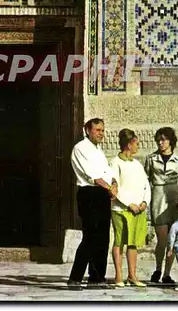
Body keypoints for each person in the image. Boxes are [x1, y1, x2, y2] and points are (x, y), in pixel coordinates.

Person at [68, 118, 117, 288]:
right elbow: (92, 176)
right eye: (98, 130)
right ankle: (75, 277)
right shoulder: (80, 148)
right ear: (88, 130)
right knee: (91, 236)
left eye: (103, 130)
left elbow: (107, 172)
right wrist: (109, 187)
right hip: (89, 194)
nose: (101, 133)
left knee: (103, 237)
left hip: (102, 194)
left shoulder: (98, 151)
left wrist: (114, 185)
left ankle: (96, 277)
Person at [144, 127, 178, 285]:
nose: (160, 142)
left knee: (174, 239)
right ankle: (158, 268)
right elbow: (145, 181)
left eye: (163, 139)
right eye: (158, 139)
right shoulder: (151, 158)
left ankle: (166, 273)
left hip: (174, 200)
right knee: (162, 239)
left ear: (170, 141)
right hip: (158, 199)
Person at [109, 129, 151, 288]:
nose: (138, 147)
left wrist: (144, 202)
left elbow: (146, 185)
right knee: (119, 241)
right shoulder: (115, 163)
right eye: (136, 143)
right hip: (121, 209)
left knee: (133, 243)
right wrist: (129, 204)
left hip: (138, 210)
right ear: (129, 144)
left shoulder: (137, 164)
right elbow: (115, 187)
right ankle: (118, 276)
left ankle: (132, 275)